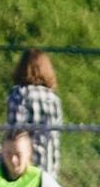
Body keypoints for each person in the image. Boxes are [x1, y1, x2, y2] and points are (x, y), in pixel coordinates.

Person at [8, 49, 65, 177]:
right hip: (50, 167)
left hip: (26, 165)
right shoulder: (54, 98)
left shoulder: (20, 94)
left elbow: (15, 131)